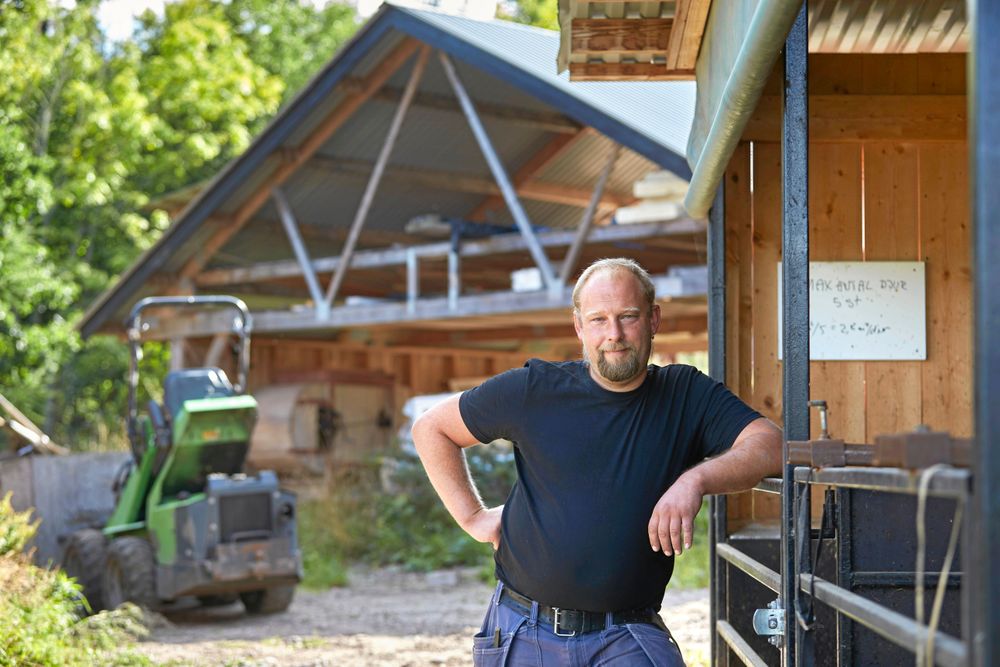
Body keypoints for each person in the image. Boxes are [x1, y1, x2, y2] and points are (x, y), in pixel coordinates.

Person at [412, 258, 783, 666]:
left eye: (628, 317)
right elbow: (432, 429)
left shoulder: (685, 394)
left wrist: (695, 481)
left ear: (654, 319)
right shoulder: (534, 390)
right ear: (579, 327)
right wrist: (473, 518)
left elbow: (769, 444)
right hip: (524, 628)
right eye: (599, 320)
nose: (615, 335)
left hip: (628, 635)